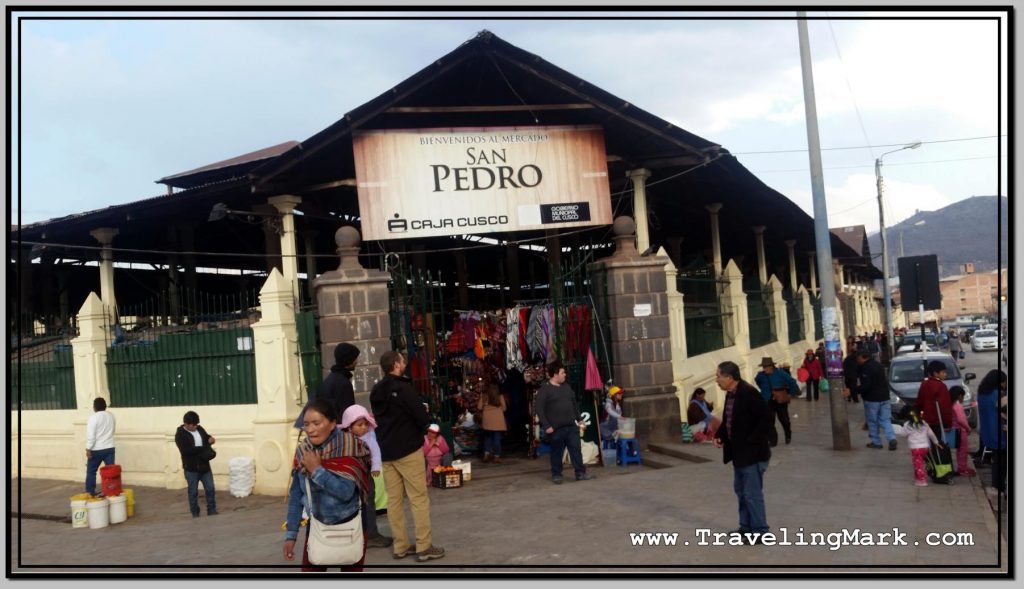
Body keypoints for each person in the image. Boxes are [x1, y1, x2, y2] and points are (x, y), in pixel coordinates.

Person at [369, 351, 445, 562]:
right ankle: (423, 546)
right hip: (407, 449)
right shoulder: (403, 388)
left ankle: (400, 546)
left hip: (386, 451)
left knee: (394, 501)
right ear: (396, 365)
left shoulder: (376, 391)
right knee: (418, 498)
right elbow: (421, 416)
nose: (405, 364)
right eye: (402, 361)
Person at [283, 399, 370, 572]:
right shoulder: (303, 451)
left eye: (316, 423)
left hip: (352, 525)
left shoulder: (349, 446)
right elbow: (295, 496)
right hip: (317, 525)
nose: (311, 429)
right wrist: (291, 535)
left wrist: (317, 470)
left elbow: (346, 492)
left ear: (332, 424)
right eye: (306, 424)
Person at [713, 361, 772, 543]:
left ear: (730, 378)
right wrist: (721, 435)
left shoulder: (748, 393)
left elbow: (766, 419)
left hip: (752, 455)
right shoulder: (731, 395)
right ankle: (745, 528)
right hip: (739, 454)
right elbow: (729, 420)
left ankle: (760, 531)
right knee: (741, 492)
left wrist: (751, 441)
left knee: (752, 494)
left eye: (719, 376)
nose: (717, 380)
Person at [339, 404, 394, 548]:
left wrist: (376, 467)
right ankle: (354, 536)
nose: (363, 427)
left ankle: (371, 535)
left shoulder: (369, 437)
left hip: (366, 475)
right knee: (351, 506)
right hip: (348, 477)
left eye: (365, 424)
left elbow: (376, 452)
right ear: (349, 426)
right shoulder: (343, 439)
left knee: (368, 503)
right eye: (359, 425)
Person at [535, 360, 594, 485]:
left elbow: (574, 404)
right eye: (562, 373)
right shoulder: (545, 390)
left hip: (571, 426)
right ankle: (556, 474)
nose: (565, 375)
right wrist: (547, 425)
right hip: (556, 429)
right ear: (555, 374)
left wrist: (580, 419)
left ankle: (580, 473)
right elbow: (539, 409)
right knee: (557, 452)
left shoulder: (566, 387)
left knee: (576, 450)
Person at [174, 411, 218, 517]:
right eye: (193, 425)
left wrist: (210, 439)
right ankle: (195, 513)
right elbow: (186, 450)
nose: (195, 427)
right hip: (191, 468)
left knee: (210, 488)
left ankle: (211, 510)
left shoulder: (199, 429)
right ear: (186, 424)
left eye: (196, 424)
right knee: (193, 492)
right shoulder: (180, 434)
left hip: (204, 466)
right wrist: (202, 448)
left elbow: (206, 437)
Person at [852, 351, 898, 451]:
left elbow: (866, 386)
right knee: (886, 420)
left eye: (857, 358)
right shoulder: (879, 365)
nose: (857, 361)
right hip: (885, 397)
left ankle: (876, 442)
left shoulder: (865, 368)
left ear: (861, 357)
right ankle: (891, 438)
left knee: (872, 421)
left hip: (872, 399)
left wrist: (854, 390)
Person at [753, 357, 798, 446]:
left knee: (784, 419)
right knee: (769, 421)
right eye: (764, 367)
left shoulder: (781, 373)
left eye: (766, 366)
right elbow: (758, 382)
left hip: (780, 400)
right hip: (767, 400)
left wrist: (790, 394)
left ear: (772, 366)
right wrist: (764, 391)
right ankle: (773, 440)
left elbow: (792, 382)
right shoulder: (760, 376)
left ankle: (788, 434)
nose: (765, 368)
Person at [891, 407, 941, 487]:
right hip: (925, 447)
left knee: (918, 464)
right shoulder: (924, 423)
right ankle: (917, 477)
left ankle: (922, 480)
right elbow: (931, 434)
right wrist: (936, 442)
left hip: (915, 448)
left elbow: (903, 434)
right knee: (920, 462)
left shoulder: (908, 425)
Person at [977, 369, 1007, 493]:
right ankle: (1000, 486)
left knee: (996, 460)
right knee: (1002, 462)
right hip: (1001, 432)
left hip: (988, 432)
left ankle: (996, 486)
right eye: (1005, 382)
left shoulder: (982, 393)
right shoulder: (999, 394)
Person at [914, 360, 953, 440]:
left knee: (929, 443)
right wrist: (948, 423)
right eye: (943, 372)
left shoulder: (924, 384)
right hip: (937, 422)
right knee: (938, 443)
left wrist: (917, 418)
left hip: (926, 421)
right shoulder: (941, 386)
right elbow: (945, 407)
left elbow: (919, 403)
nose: (945, 374)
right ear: (935, 373)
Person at [84, 397, 116, 497]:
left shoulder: (93, 418)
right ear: (105, 406)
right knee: (111, 472)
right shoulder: (111, 416)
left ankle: (90, 491)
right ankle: (111, 491)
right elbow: (113, 430)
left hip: (96, 449)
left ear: (94, 407)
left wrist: (88, 448)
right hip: (109, 447)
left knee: (91, 471)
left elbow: (91, 435)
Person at [948, 386, 976, 477]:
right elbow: (961, 419)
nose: (963, 399)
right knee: (963, 450)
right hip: (961, 431)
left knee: (959, 450)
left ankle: (961, 467)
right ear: (959, 396)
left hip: (954, 430)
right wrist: (968, 428)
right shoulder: (957, 406)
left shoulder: (950, 404)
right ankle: (962, 468)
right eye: (963, 397)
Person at [477, 383, 507, 463]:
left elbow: (479, 407)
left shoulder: (484, 397)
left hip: (487, 422)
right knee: (497, 439)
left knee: (487, 438)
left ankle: (487, 454)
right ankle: (496, 456)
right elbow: (504, 409)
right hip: (498, 422)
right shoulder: (500, 397)